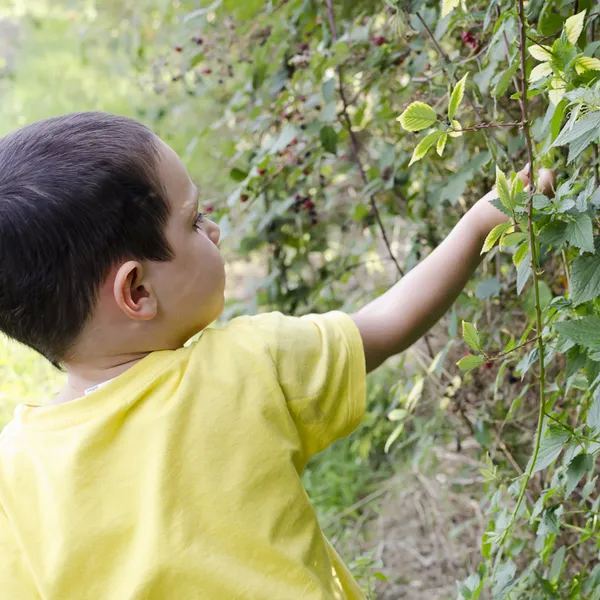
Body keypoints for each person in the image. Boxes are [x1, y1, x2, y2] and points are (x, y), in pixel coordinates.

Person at [0, 112, 527, 599]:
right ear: (137, 290)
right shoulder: (245, 366)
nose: (215, 230)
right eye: (194, 220)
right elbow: (388, 324)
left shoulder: (13, 475)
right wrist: (481, 222)